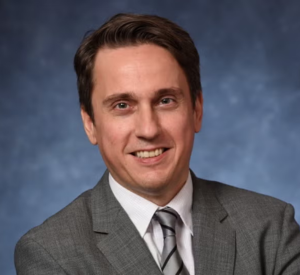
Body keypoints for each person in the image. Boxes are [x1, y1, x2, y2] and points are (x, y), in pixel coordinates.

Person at [15, 13, 300, 275]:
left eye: (165, 101)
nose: (148, 129)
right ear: (90, 123)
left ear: (197, 110)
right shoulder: (50, 253)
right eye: (122, 105)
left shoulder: (270, 225)